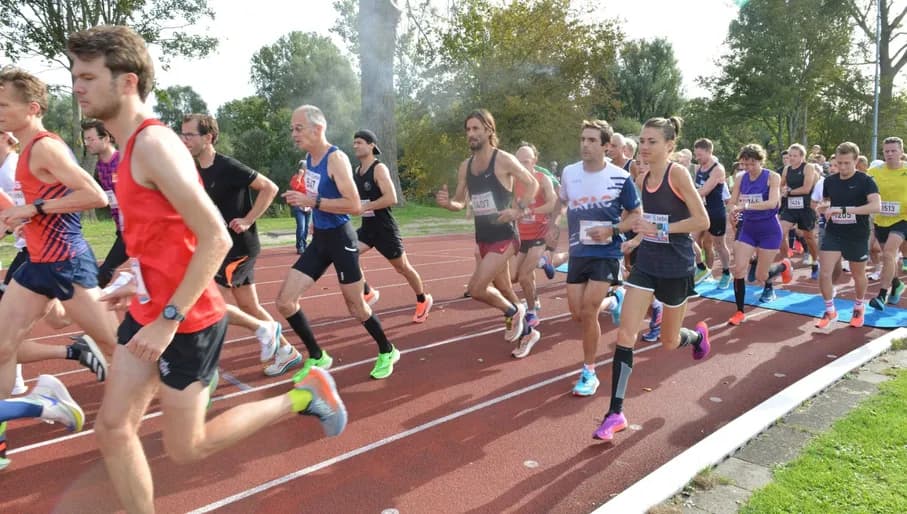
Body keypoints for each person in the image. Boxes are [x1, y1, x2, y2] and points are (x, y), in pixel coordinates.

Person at [68, 26, 346, 512]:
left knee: (187, 447)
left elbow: (216, 236)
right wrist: (132, 279)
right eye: (75, 76)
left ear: (127, 81)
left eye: (88, 76)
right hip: (151, 308)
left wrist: (167, 319)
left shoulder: (154, 145)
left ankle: (302, 396)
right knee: (112, 428)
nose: (76, 87)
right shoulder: (129, 148)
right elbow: (165, 236)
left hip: (186, 320)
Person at [0, 66, 115, 439]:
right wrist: (19, 218)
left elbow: (94, 196)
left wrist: (32, 211)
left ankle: (187, 381)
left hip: (67, 264)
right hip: (37, 263)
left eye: (3, 105)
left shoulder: (44, 147)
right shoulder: (27, 150)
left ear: (32, 108)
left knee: (116, 345)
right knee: (2, 347)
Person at [593, 117, 711, 442]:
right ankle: (615, 412)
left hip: (676, 267)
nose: (644, 147)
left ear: (670, 145)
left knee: (670, 342)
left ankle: (698, 338)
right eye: (642, 140)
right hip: (647, 264)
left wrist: (662, 229)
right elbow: (647, 218)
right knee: (626, 334)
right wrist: (634, 236)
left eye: (652, 141)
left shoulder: (678, 173)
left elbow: (703, 219)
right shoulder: (641, 174)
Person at [278, 105, 400, 379]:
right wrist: (313, 216)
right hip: (320, 238)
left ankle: (387, 349)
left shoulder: (336, 159)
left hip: (342, 239)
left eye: (298, 128)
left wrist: (313, 202)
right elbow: (318, 195)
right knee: (285, 301)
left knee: (356, 307)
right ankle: (318, 356)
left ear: (317, 129)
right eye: (292, 129)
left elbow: (354, 205)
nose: (293, 134)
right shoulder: (310, 159)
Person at [180, 113, 290, 374]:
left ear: (208, 137)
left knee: (208, 302)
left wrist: (249, 219)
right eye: (182, 134)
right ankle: (286, 350)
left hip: (238, 249)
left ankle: (200, 366)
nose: (184, 140)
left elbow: (269, 188)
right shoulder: (193, 169)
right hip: (218, 247)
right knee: (249, 306)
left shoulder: (228, 166)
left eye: (189, 135)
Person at [435, 109, 539, 348]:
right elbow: (460, 202)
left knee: (477, 289)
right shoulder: (466, 166)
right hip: (483, 237)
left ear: (488, 131)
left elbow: (531, 183)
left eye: (476, 129)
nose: (471, 134)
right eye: (468, 130)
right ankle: (528, 332)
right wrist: (447, 203)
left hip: (505, 235)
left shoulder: (502, 159)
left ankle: (513, 312)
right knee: (502, 287)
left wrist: (518, 210)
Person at [560, 120, 640, 395]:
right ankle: (616, 299)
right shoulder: (569, 173)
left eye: (592, 140)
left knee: (589, 309)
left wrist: (613, 228)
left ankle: (589, 372)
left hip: (606, 251)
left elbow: (636, 214)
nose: (585, 144)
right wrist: (546, 225)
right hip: (578, 251)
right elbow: (562, 203)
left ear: (606, 146)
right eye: (583, 139)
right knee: (576, 313)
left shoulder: (620, 177)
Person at [352, 129, 433, 323]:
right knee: (346, 252)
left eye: (360, 142)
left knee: (403, 268)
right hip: (367, 228)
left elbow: (391, 198)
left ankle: (423, 299)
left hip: (384, 229)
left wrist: (366, 206)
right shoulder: (357, 171)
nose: (355, 146)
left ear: (371, 145)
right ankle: (367, 292)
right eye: (354, 143)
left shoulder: (379, 169)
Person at [816, 142, 881, 328]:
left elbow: (876, 206)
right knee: (825, 273)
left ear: (856, 161)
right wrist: (824, 208)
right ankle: (830, 311)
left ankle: (859, 306)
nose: (843, 167)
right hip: (834, 232)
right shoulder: (829, 181)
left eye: (847, 163)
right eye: (840, 163)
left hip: (857, 234)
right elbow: (828, 203)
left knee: (857, 273)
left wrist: (845, 209)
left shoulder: (866, 181)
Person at [726, 144, 792, 325]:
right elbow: (732, 202)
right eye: (744, 164)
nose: (747, 168)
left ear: (761, 161)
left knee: (761, 276)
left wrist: (745, 206)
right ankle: (739, 311)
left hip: (768, 229)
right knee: (739, 269)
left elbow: (772, 203)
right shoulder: (740, 178)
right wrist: (732, 210)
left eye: (751, 164)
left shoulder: (772, 177)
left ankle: (783, 267)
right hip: (747, 228)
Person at [508, 141, 555, 356]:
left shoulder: (541, 179)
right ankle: (534, 294)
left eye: (527, 161)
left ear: (534, 161)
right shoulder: (514, 182)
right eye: (519, 161)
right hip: (522, 236)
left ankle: (532, 312)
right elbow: (512, 206)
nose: (523, 164)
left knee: (526, 274)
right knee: (516, 276)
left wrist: (531, 211)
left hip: (539, 234)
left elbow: (553, 203)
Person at [83, 119, 126, 288]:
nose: (87, 144)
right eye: (85, 139)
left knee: (105, 272)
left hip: (135, 230)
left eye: (91, 139)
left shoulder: (123, 162)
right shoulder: (101, 166)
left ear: (106, 138)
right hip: (121, 229)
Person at [868, 136, 907, 309]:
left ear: (901, 152)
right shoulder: (874, 172)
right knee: (889, 257)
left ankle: (881, 295)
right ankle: (897, 284)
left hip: (902, 219)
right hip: (881, 220)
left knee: (889, 253)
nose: (890, 154)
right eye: (886, 151)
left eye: (893, 151)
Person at [692, 138, 731, 288]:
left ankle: (726, 272)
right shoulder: (699, 168)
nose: (698, 158)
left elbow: (704, 190)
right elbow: (696, 187)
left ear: (709, 152)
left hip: (715, 211)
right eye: (696, 155)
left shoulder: (717, 169)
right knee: (690, 240)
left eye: (700, 155)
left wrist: (683, 196)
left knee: (719, 244)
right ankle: (701, 268)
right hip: (702, 210)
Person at [778, 144, 820, 279]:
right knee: (780, 232)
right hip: (790, 207)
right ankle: (785, 263)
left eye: (795, 156)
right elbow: (781, 185)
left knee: (808, 237)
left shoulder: (808, 167)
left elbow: (806, 188)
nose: (791, 158)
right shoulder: (786, 169)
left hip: (806, 208)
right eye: (790, 155)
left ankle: (815, 262)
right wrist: (781, 190)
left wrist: (789, 191)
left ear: (802, 157)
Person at [290, 161, 312, 255]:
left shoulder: (310, 178)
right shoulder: (296, 177)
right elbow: (295, 187)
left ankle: (304, 244)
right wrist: (299, 176)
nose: (307, 169)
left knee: (306, 227)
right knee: (301, 227)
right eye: (305, 167)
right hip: (298, 206)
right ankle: (300, 247)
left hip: (309, 207)